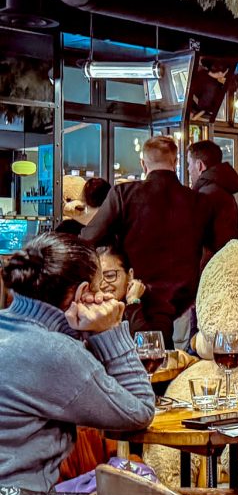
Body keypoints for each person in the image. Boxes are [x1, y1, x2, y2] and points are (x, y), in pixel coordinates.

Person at [0, 233, 155, 495]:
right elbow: (139, 411)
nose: (103, 297)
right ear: (81, 292)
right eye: (99, 288)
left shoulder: (10, 328)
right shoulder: (52, 351)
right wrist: (109, 331)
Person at [83, 135, 216, 346]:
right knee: (175, 367)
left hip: (136, 298)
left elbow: (88, 238)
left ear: (143, 164)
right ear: (175, 162)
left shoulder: (124, 194)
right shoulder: (199, 202)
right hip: (184, 307)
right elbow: (213, 252)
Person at [187, 140, 238, 252]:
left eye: (189, 164)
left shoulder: (205, 195)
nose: (188, 169)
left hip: (210, 266)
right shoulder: (222, 190)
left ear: (199, 165)